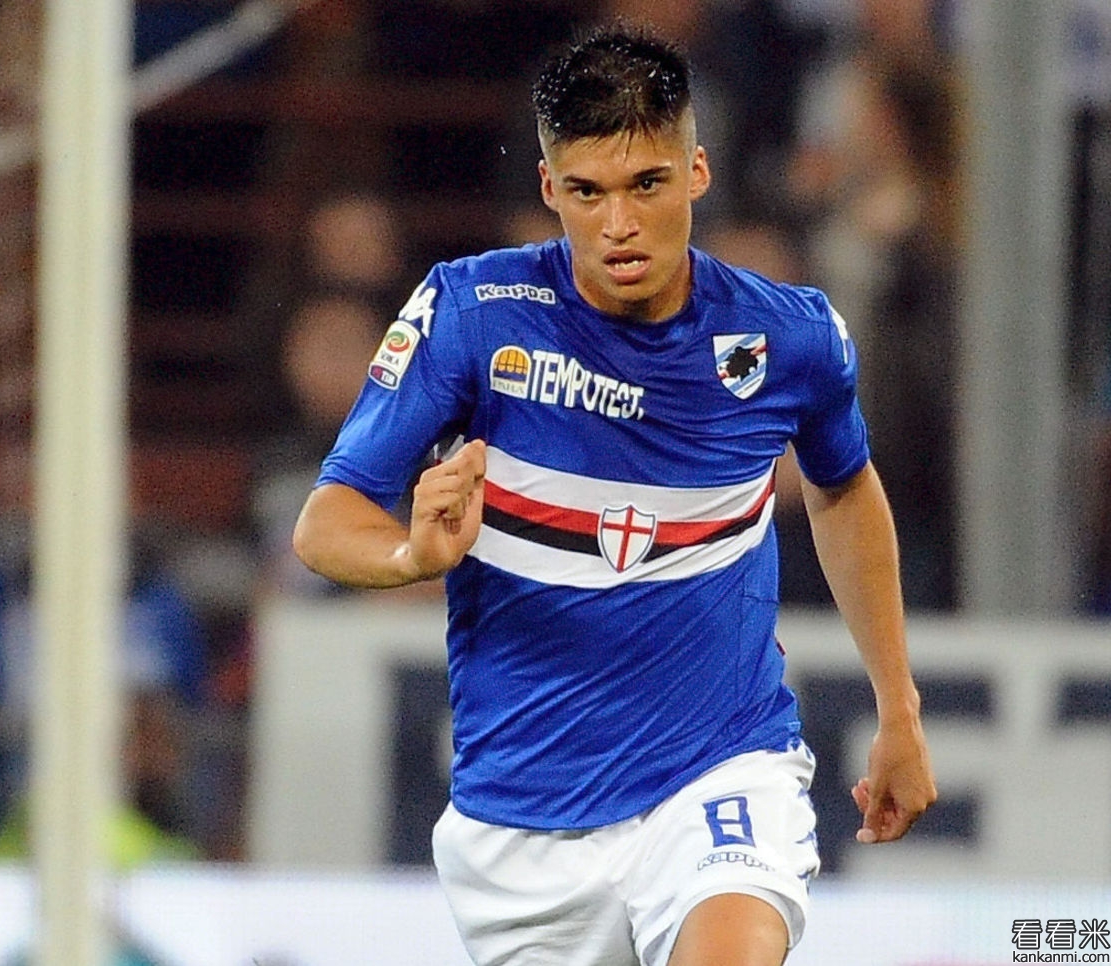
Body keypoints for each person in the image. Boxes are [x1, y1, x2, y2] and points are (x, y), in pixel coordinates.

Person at [292, 26, 935, 966]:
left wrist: (899, 708)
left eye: (647, 185)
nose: (619, 224)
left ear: (697, 173)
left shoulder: (788, 337)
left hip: (717, 774)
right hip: (523, 824)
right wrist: (410, 555)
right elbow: (326, 519)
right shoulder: (472, 315)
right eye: (588, 192)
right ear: (550, 189)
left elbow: (844, 491)